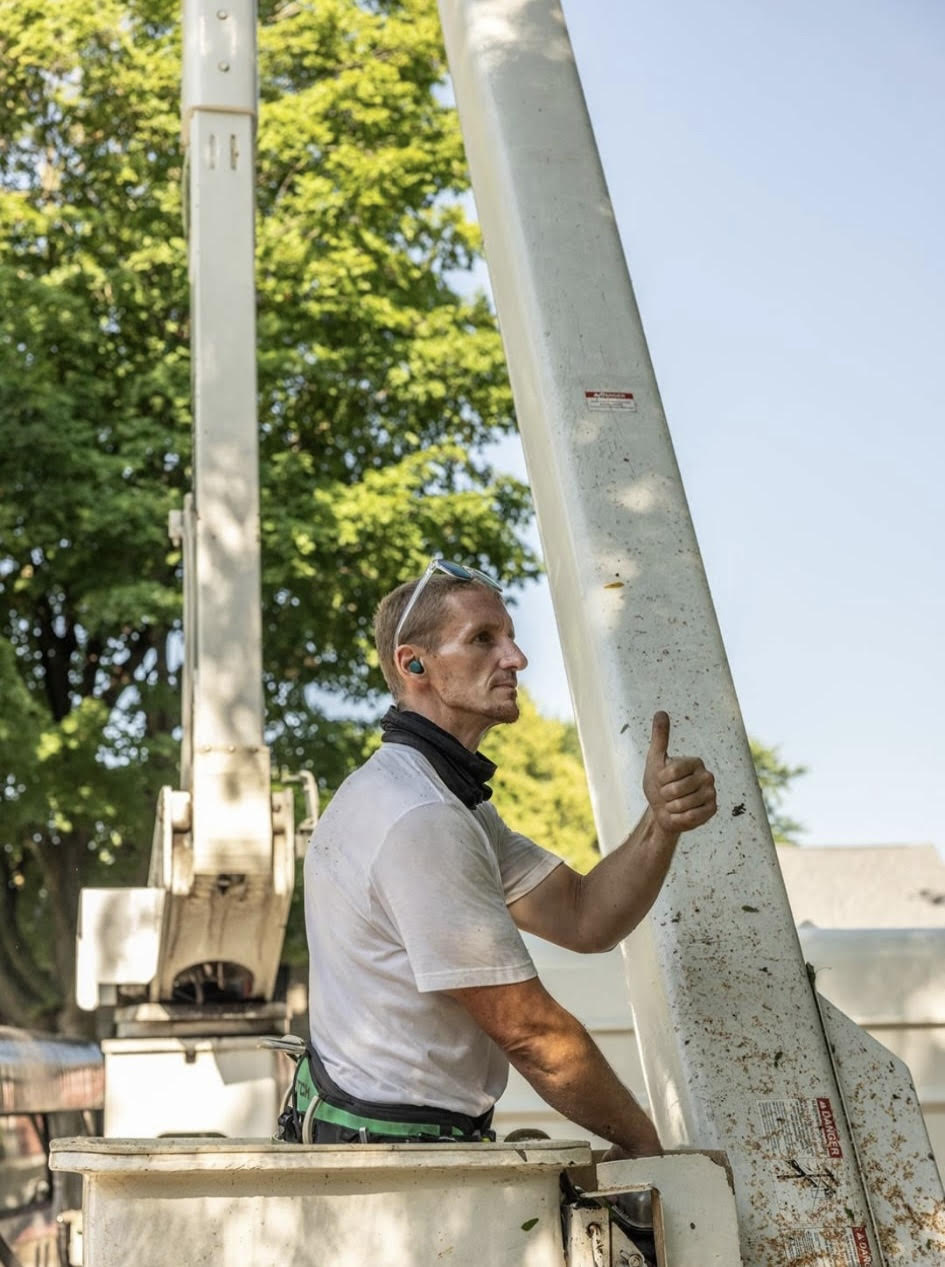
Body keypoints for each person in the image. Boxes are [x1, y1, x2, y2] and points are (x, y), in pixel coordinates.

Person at [302, 556, 717, 1153]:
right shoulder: (422, 817)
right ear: (413, 662)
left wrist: (661, 822)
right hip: (395, 1161)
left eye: (512, 639)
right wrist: (657, 1158)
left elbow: (583, 915)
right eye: (483, 640)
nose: (516, 659)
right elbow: (532, 1035)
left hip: (390, 1143)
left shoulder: (442, 798)